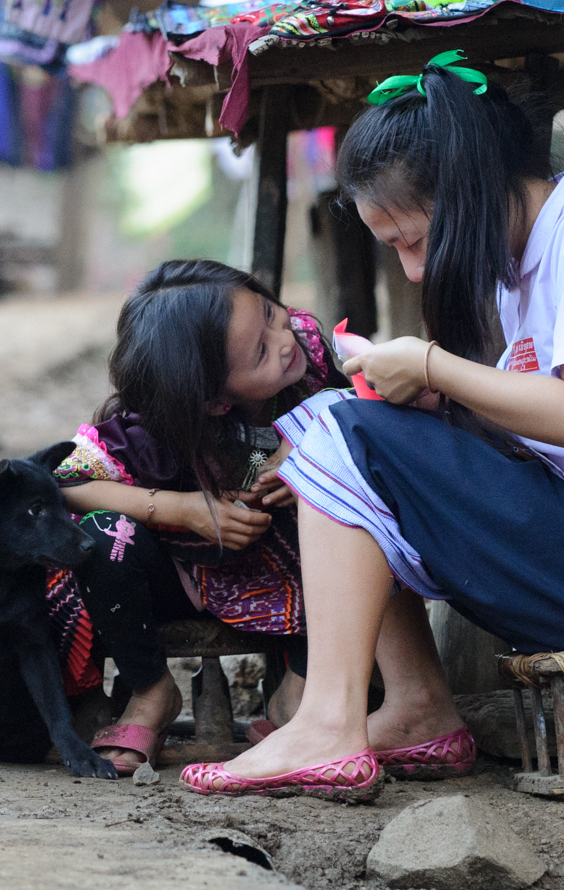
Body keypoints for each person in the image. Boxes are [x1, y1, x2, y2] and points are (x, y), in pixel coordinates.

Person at [179, 51, 564, 800]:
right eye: (396, 251)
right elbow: (549, 425)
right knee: (332, 424)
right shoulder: (524, 265)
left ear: (473, 190)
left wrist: (432, 367)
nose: (414, 271)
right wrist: (436, 409)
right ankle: (415, 707)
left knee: (338, 433)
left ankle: (328, 719)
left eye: (415, 239)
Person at [50, 259, 348, 775]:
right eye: (260, 350)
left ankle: (298, 692)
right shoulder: (152, 437)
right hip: (185, 577)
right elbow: (68, 483)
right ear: (211, 402)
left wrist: (308, 455)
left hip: (298, 573)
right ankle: (150, 691)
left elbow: (362, 412)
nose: (285, 339)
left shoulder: (308, 361)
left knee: (359, 514)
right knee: (101, 536)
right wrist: (183, 509)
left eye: (272, 313)